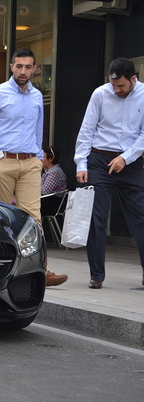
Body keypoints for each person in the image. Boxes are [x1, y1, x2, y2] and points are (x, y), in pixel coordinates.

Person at [0, 48, 67, 287]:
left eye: (28, 67)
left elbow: (38, 130)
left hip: (30, 164)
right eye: (19, 66)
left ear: (34, 69)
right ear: (11, 67)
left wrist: (37, 156)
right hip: (2, 162)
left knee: (34, 218)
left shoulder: (37, 96)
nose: (23, 71)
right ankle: (2, 269)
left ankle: (41, 270)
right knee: (3, 219)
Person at [74, 57, 144, 290]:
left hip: (130, 162)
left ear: (133, 79)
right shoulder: (100, 94)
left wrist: (125, 157)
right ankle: (96, 275)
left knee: (140, 218)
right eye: (113, 85)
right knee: (97, 219)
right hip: (99, 160)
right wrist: (81, 164)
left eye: (121, 86)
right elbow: (87, 129)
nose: (116, 90)